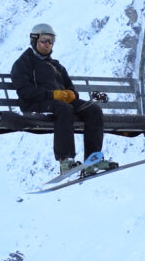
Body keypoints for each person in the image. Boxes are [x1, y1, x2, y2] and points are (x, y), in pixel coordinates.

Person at [10, 22, 104, 173]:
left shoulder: (55, 65)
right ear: (34, 40)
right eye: (44, 40)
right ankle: (66, 160)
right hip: (35, 104)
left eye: (51, 41)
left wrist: (71, 94)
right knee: (64, 108)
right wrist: (52, 94)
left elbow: (69, 86)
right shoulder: (24, 63)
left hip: (58, 103)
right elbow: (24, 91)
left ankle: (92, 161)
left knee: (93, 110)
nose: (48, 44)